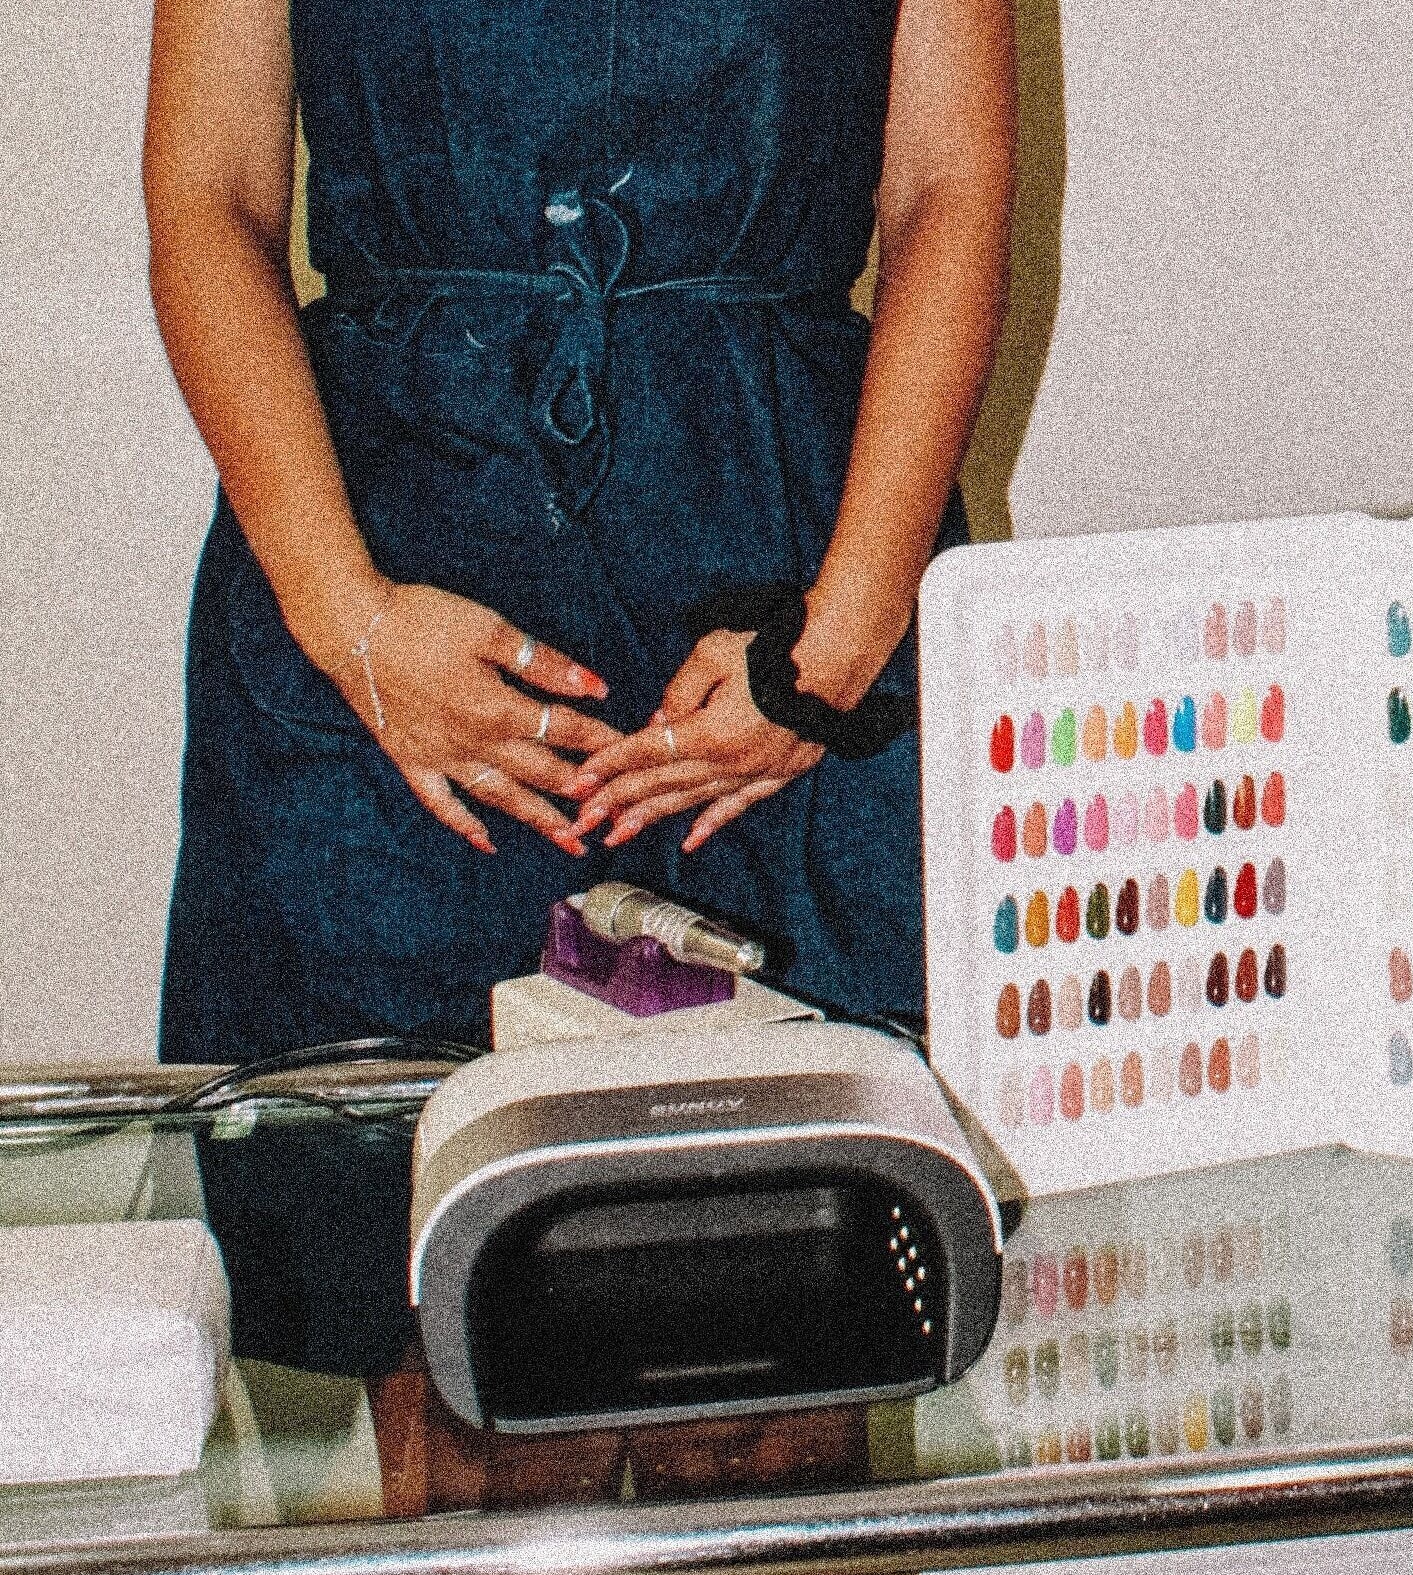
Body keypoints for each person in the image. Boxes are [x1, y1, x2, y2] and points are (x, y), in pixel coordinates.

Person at [143, 0, 1012, 1375]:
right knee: (430, 1351)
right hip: (394, 607)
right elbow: (210, 194)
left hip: (791, 593)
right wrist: (343, 613)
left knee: (797, 1352)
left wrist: (837, 645)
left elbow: (948, 190)